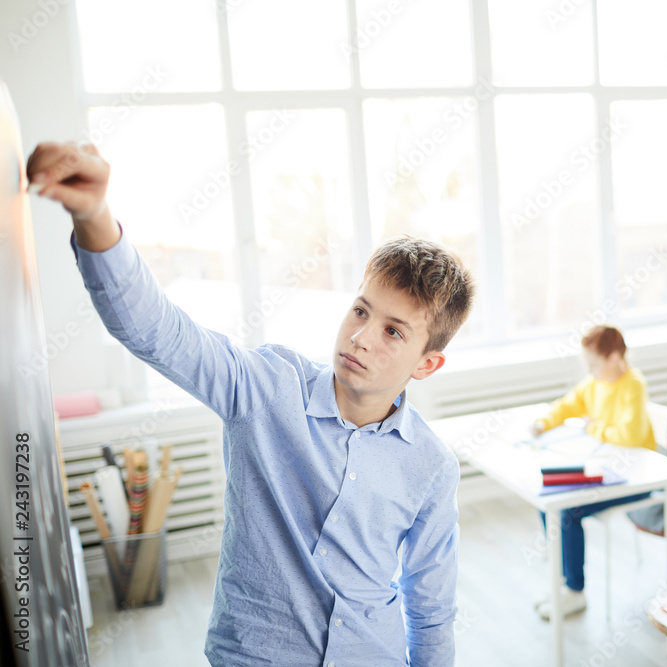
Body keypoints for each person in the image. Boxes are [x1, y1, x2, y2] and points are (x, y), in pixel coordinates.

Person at [27, 142, 475, 665]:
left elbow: (431, 605)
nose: (361, 337)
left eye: (394, 332)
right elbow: (153, 329)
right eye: (360, 311)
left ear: (427, 364)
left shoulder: (431, 466)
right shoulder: (264, 389)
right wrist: (94, 215)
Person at [528, 325, 655, 620]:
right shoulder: (594, 383)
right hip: (606, 470)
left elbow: (631, 435)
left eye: (593, 364)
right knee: (549, 505)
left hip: (636, 478)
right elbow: (567, 406)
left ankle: (575, 592)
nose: (590, 370)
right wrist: (543, 422)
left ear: (613, 358)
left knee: (568, 512)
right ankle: (564, 583)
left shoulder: (633, 384)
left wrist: (591, 426)